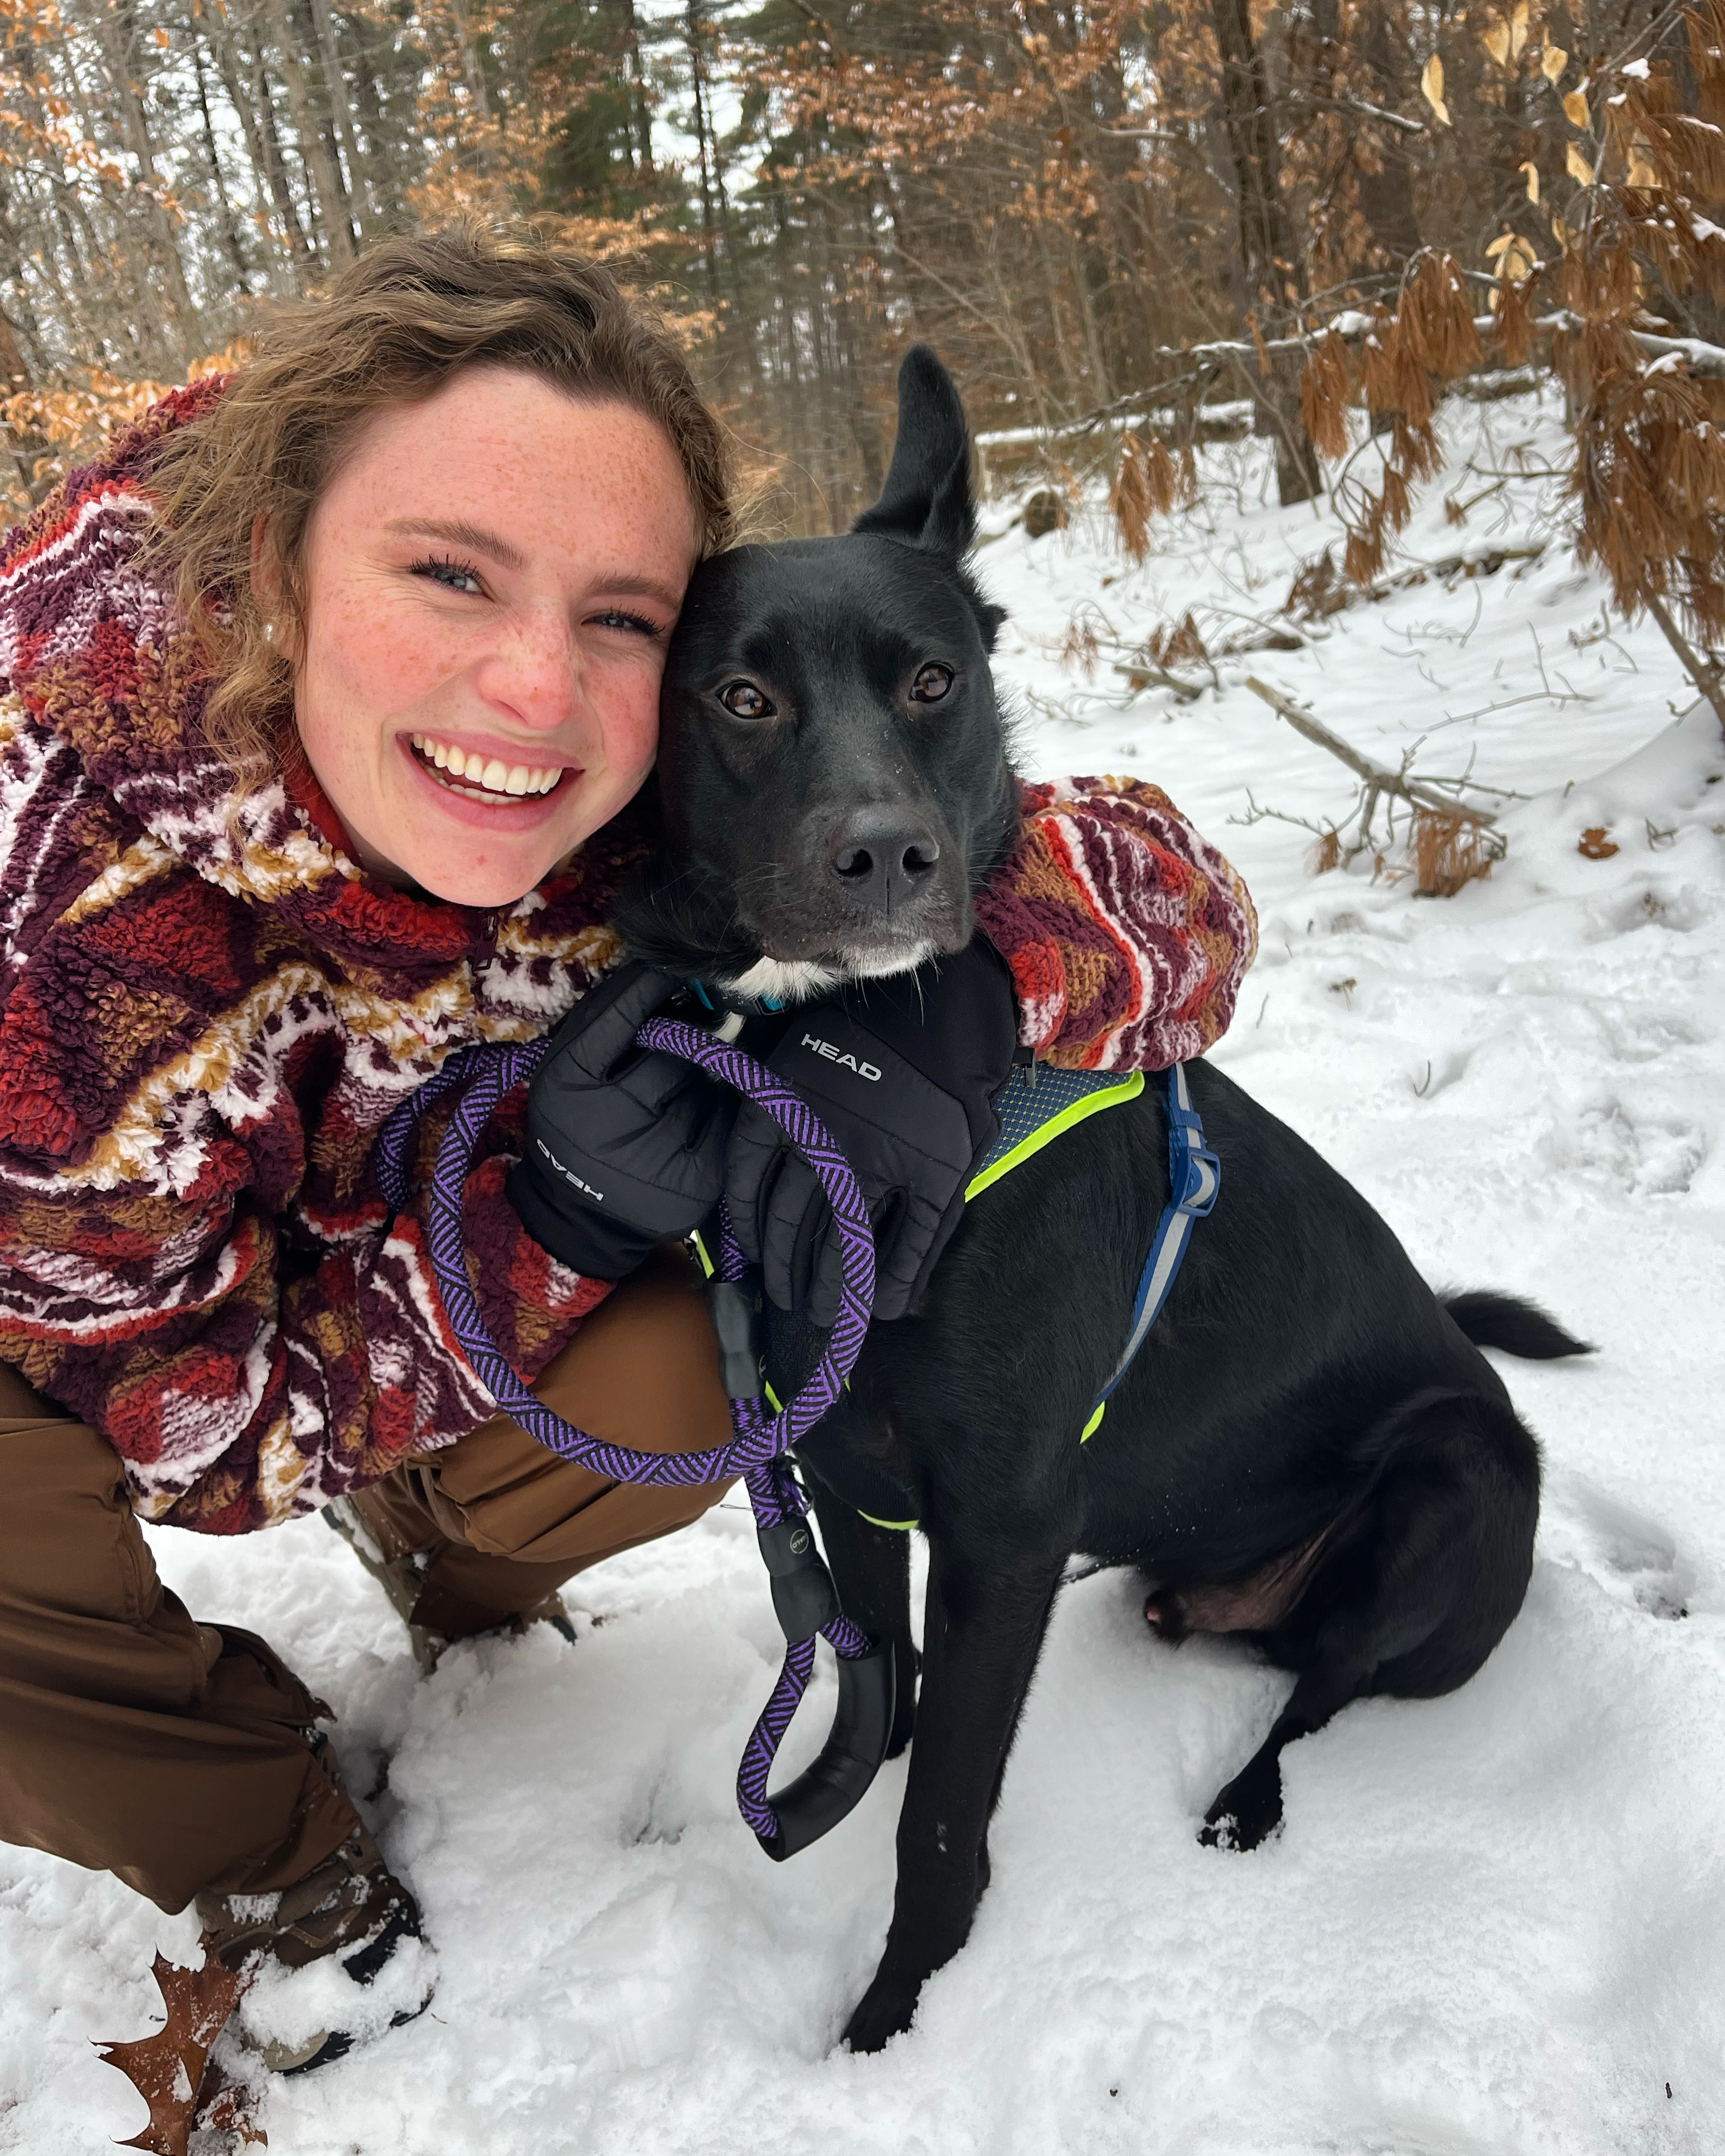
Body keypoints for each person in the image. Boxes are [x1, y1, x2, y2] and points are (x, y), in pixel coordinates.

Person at [0, 226, 1257, 2073]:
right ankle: (266, 1850)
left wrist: (975, 985)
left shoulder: (624, 762)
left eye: (621, 617)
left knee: (689, 1369)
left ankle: (454, 1564)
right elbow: (212, 1435)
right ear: (277, 564)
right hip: (89, 1337)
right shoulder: (53, 933)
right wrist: (554, 1216)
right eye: (447, 573)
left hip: (340, 1272)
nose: (531, 688)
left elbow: (1186, 897)